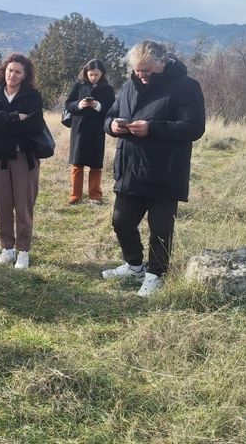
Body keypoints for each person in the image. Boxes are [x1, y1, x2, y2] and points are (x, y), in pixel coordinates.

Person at [102, 40, 205, 297]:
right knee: (121, 222)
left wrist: (152, 128)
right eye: (137, 70)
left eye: (146, 70)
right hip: (130, 169)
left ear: (162, 62)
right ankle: (134, 266)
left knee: (160, 229)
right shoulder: (129, 86)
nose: (141, 75)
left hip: (166, 171)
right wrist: (111, 126)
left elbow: (194, 127)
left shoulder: (186, 86)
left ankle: (156, 275)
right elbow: (110, 115)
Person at [0, 54, 45, 270]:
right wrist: (16, 117)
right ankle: (7, 249)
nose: (13, 75)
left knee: (24, 206)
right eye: (10, 70)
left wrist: (1, 122)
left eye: (18, 72)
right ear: (4, 71)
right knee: (2, 205)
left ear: (25, 75)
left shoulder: (32, 96)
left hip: (24, 159)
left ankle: (23, 251)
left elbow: (34, 126)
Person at [62, 59, 115, 205]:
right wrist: (80, 104)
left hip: (97, 130)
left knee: (96, 164)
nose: (93, 77)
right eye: (90, 74)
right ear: (86, 73)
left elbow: (112, 109)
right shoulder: (79, 85)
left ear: (102, 73)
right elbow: (68, 104)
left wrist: (98, 106)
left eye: (96, 74)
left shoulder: (107, 89)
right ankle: (75, 195)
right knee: (77, 163)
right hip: (79, 129)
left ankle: (95, 196)